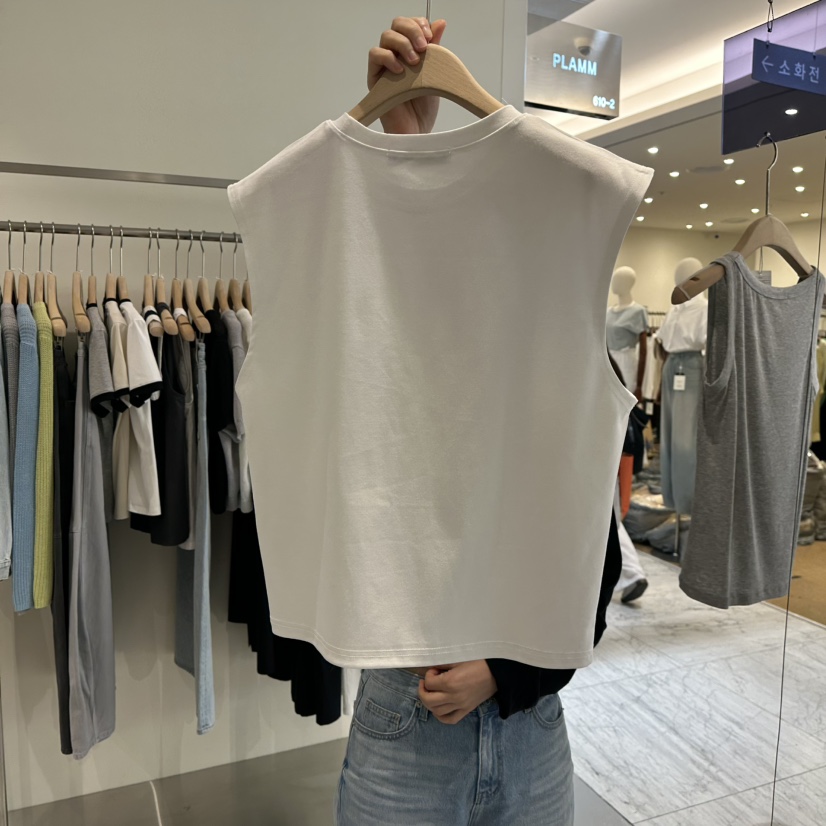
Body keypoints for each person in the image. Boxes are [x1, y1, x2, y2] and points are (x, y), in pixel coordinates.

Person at [335, 17, 622, 825]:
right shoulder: (388, 361)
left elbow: (592, 562)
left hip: (532, 728)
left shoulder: (550, 362)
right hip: (407, 718)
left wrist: (506, 671)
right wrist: (407, 146)